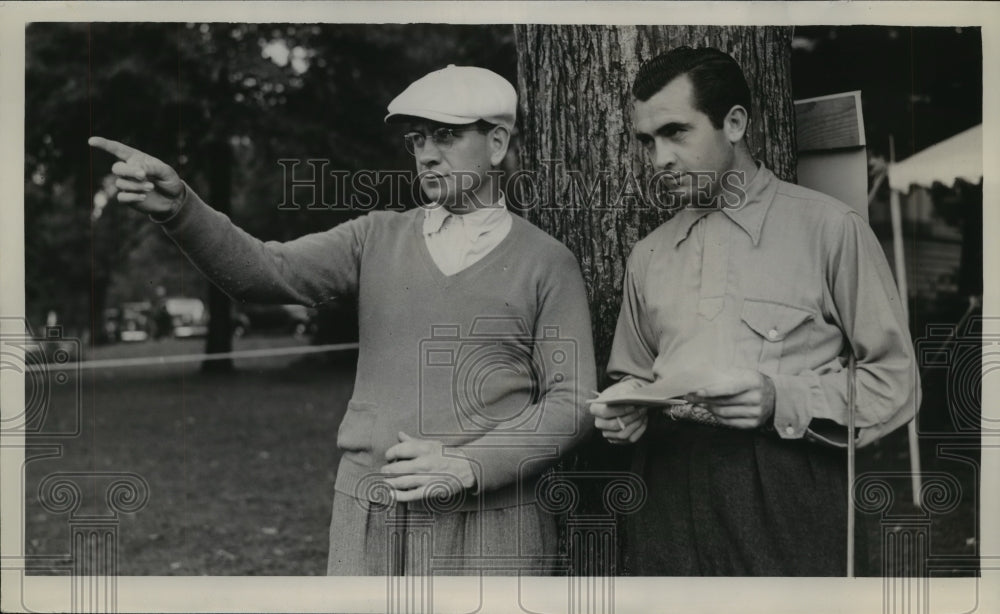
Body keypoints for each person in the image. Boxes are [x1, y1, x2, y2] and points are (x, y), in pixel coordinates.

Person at [89, 65, 596, 575]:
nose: (425, 153)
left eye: (446, 135)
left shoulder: (546, 261)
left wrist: (469, 466)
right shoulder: (374, 237)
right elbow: (266, 272)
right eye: (417, 139)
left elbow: (572, 401)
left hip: (495, 520)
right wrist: (180, 209)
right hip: (372, 511)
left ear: (497, 142)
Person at [589, 47, 920, 576]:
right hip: (668, 493)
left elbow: (895, 382)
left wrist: (779, 400)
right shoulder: (648, 253)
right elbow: (630, 374)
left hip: (786, 484)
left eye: (677, 132)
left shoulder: (830, 229)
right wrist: (624, 414)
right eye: (647, 141)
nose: (659, 160)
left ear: (735, 123)